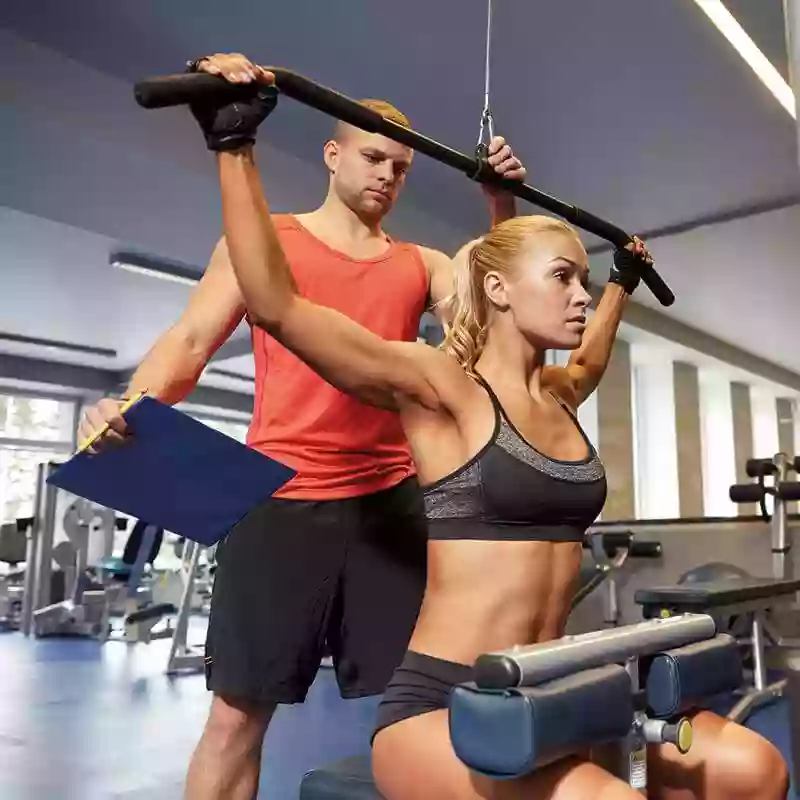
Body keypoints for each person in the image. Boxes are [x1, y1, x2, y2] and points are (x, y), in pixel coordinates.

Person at [193, 66, 790, 800]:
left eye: (583, 282)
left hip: (555, 685)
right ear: (501, 289)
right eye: (564, 278)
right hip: (450, 699)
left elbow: (593, 354)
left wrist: (621, 285)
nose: (579, 296)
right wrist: (236, 143)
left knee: (757, 770)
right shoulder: (443, 391)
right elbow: (279, 305)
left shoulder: (561, 393)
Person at [77, 53, 528, 800]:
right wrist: (129, 406)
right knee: (234, 719)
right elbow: (189, 344)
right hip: (283, 502)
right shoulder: (266, 244)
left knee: (428, 711)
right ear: (333, 154)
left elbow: (494, 332)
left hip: (391, 504)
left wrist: (500, 209)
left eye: (403, 167)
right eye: (374, 157)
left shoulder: (424, 265)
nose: (388, 175)